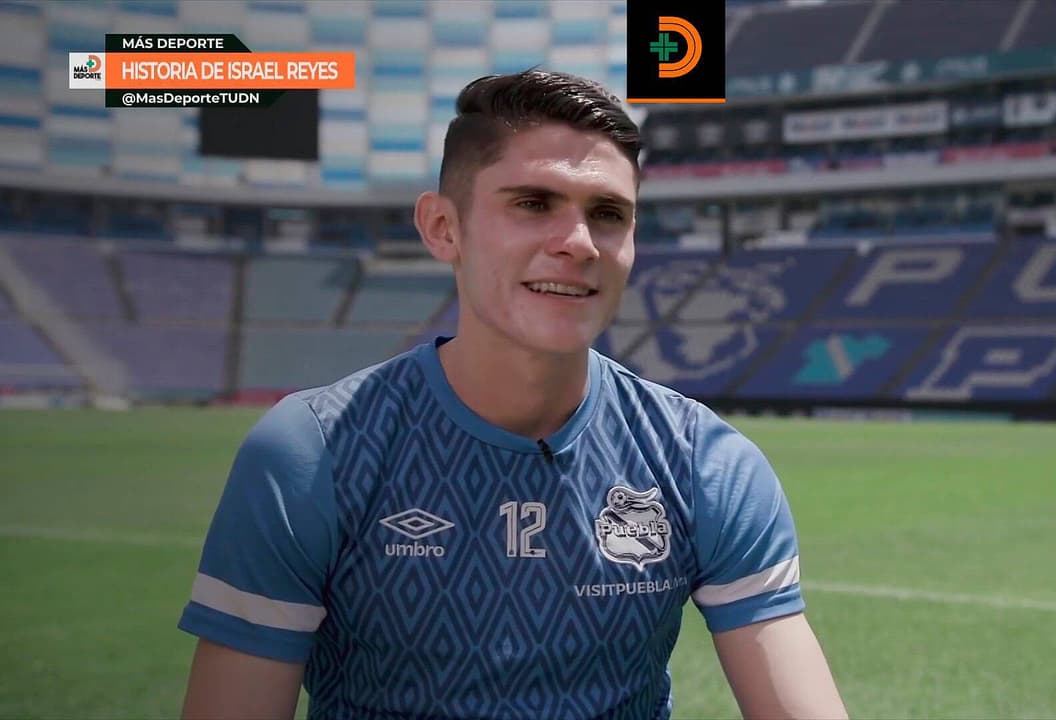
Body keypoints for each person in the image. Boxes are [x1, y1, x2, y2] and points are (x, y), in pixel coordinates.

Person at [178, 69, 847, 720]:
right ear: (443, 227)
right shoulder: (313, 453)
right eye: (533, 203)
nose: (578, 243)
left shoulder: (703, 462)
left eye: (608, 214)